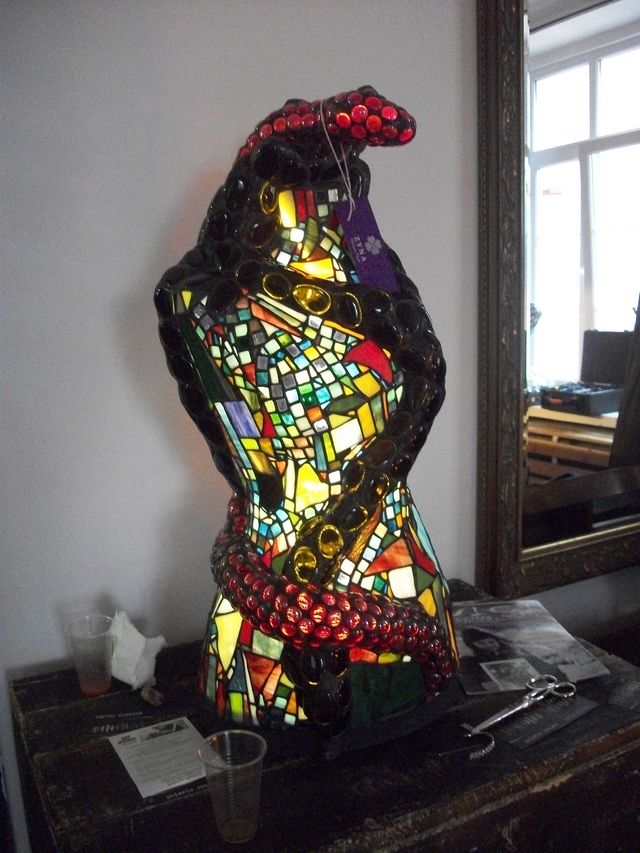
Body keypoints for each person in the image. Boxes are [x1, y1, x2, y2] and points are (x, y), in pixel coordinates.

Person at [155, 87, 458, 734]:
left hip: (381, 556)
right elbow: (223, 416)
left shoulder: (373, 276)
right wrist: (262, 488)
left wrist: (353, 506)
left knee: (399, 712)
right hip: (271, 558)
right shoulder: (205, 300)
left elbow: (425, 378)